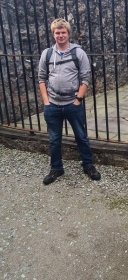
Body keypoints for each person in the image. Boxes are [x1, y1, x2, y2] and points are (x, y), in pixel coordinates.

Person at [38, 18, 101, 185]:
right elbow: (41, 79)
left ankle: (88, 165)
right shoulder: (47, 54)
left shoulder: (78, 53)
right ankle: (56, 168)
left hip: (72, 104)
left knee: (81, 136)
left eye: (63, 32)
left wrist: (78, 99)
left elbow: (85, 78)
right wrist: (46, 101)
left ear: (68, 34)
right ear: (53, 34)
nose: (60, 35)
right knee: (54, 139)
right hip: (52, 105)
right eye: (57, 32)